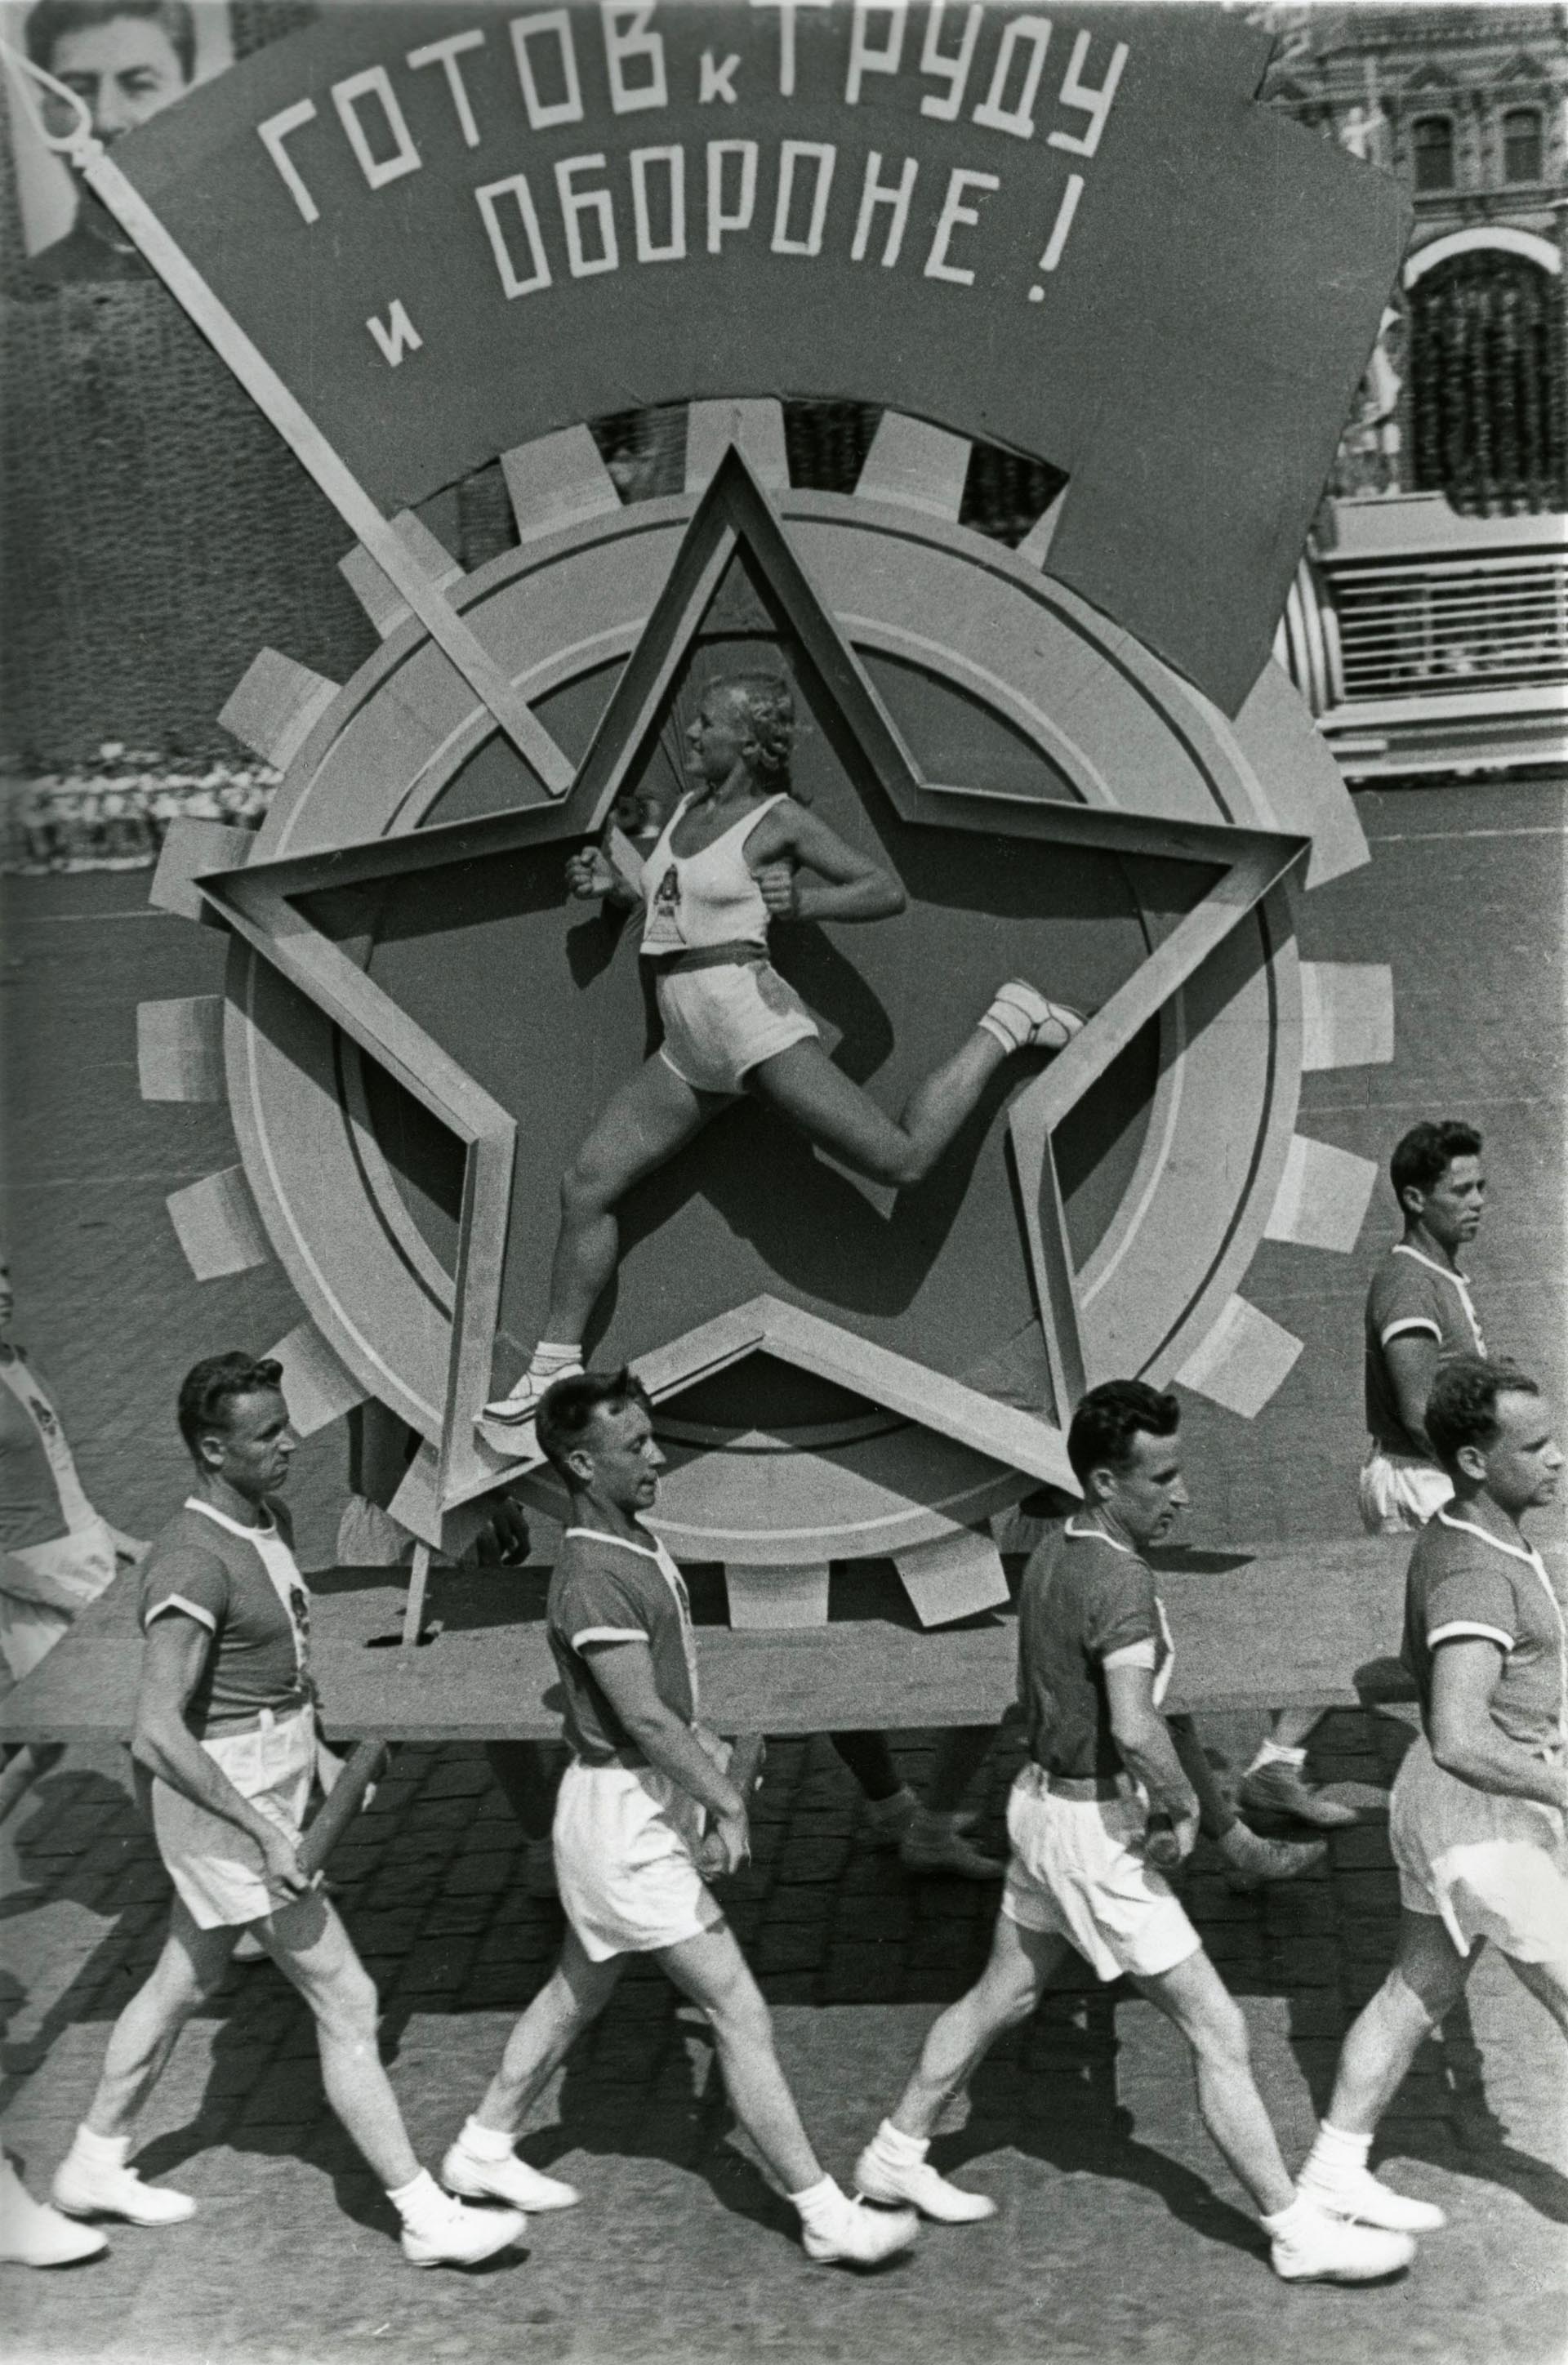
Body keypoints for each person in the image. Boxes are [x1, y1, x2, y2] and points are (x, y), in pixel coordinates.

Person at [851, 1380, 1416, 2282]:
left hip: (1038, 1809)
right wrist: (1186, 1807)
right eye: (1163, 1476)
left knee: (1004, 1992)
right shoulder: (1120, 1579)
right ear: (1108, 1482)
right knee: (1217, 2026)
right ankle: (1294, 2229)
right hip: (1091, 1831)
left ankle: (893, 2152)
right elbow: (1134, 1723)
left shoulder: (1052, 1552)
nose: (1182, 1493)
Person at [480, 673, 1084, 1436]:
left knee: (899, 1162)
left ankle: (1007, 1022)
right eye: (694, 724)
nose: (693, 737)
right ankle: (554, 1368)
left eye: (707, 725)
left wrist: (810, 903)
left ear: (748, 741)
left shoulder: (780, 820)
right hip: (685, 1043)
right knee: (588, 1185)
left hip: (748, 1022)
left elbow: (883, 889)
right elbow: (677, 904)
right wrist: (614, 888)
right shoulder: (684, 814)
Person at [51, 1353, 527, 2270]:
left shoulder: (269, 1519)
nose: (290, 1443)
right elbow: (156, 1731)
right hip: (221, 1809)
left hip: (264, 1786)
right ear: (210, 1448)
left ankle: (91, 2163)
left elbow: (281, 1669)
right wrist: (267, 1831)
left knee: (183, 1979)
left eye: (285, 1425)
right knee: (348, 1997)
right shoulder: (190, 1560)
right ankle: (423, 2213)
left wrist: (317, 1757)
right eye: (266, 1435)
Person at [449, 1368, 920, 2268]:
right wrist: (724, 1795)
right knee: (737, 2006)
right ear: (582, 1464)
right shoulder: (590, 1577)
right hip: (624, 1824)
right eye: (636, 1448)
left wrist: (707, 1749)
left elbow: (668, 1702)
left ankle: (480, 2147)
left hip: (625, 1810)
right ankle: (823, 2212)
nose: (657, 1455)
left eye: (652, 1436)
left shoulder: (630, 1539)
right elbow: (646, 1717)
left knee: (575, 1990)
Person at [1295, 1356, 1564, 2226]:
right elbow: (1457, 1732)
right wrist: (1559, 1784)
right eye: (1538, 1444)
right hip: (1478, 1821)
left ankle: (1333, 2173)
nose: (1559, 1456)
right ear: (1478, 1461)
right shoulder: (1477, 1575)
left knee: (1420, 1985)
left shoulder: (1473, 1533)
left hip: (1444, 1804)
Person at [1242, 1120, 1487, 1828]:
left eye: (1481, 1186)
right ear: (1415, 1198)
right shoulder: (1410, 1288)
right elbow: (1417, 1411)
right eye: (1460, 1189)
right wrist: (1487, 1477)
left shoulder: (1436, 1275)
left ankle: (1273, 1769)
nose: (1477, 1202)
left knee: (1381, 1632)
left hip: (1424, 1482)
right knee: (1470, 1641)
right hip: (1421, 1485)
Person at [1, 1254, 145, 1695]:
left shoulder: (19, 1362)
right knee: (121, 1706)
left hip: (90, 1558)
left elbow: (62, 1480)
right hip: (35, 1576)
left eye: (5, 1275)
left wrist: (128, 1544)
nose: (4, 1291)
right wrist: (68, 1603)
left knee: (52, 1736)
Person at [24, 2, 197, 286]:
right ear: (45, 118)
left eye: (139, 85)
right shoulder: (27, 290)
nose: (105, 120)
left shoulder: (267, 248)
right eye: (77, 91)